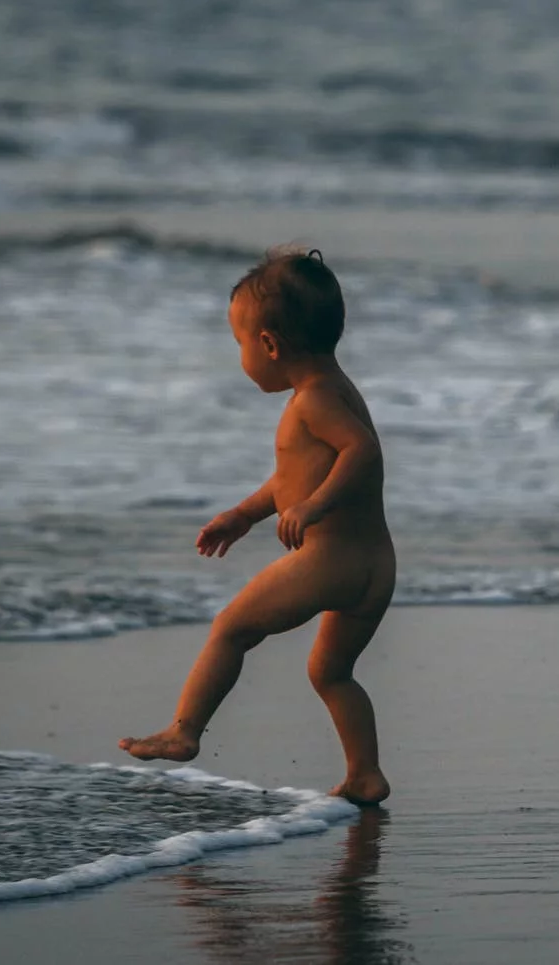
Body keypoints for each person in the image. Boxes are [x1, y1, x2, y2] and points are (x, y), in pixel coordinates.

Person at [120, 246, 394, 806]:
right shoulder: (336, 389)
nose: (241, 356)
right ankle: (365, 773)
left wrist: (312, 508)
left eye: (240, 344)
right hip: (374, 565)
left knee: (231, 629)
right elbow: (292, 478)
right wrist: (245, 514)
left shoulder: (313, 401)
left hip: (329, 559)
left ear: (269, 344)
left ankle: (184, 731)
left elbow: (361, 452)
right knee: (331, 672)